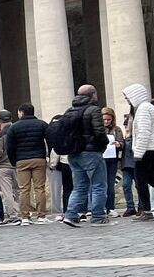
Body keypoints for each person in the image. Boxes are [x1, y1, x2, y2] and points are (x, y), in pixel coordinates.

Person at [60, 85, 109, 227]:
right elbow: (99, 132)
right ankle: (98, 217)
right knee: (99, 185)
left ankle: (70, 214)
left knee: (79, 186)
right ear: (93, 95)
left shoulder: (69, 111)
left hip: (73, 153)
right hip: (91, 152)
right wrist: (104, 145)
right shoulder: (93, 110)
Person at [7, 103, 50, 224]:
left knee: (24, 189)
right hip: (38, 158)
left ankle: (25, 217)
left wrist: (13, 161)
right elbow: (50, 140)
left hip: (21, 160)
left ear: (22, 112)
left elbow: (9, 146)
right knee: (39, 188)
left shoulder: (14, 127)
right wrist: (48, 156)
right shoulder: (42, 124)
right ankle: (41, 216)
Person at [123, 83, 154, 220]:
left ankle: (147, 211)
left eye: (127, 96)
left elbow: (144, 132)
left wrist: (138, 153)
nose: (126, 99)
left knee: (141, 181)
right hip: (153, 149)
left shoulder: (143, 109)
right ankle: (147, 211)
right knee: (153, 180)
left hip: (147, 150)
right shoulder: (147, 108)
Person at [101, 107, 124, 219]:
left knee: (110, 184)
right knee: (100, 184)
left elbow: (121, 142)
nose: (106, 122)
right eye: (104, 119)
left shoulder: (116, 129)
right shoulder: (98, 128)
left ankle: (110, 207)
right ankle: (99, 207)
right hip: (101, 159)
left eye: (108, 120)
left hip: (112, 159)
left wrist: (119, 144)